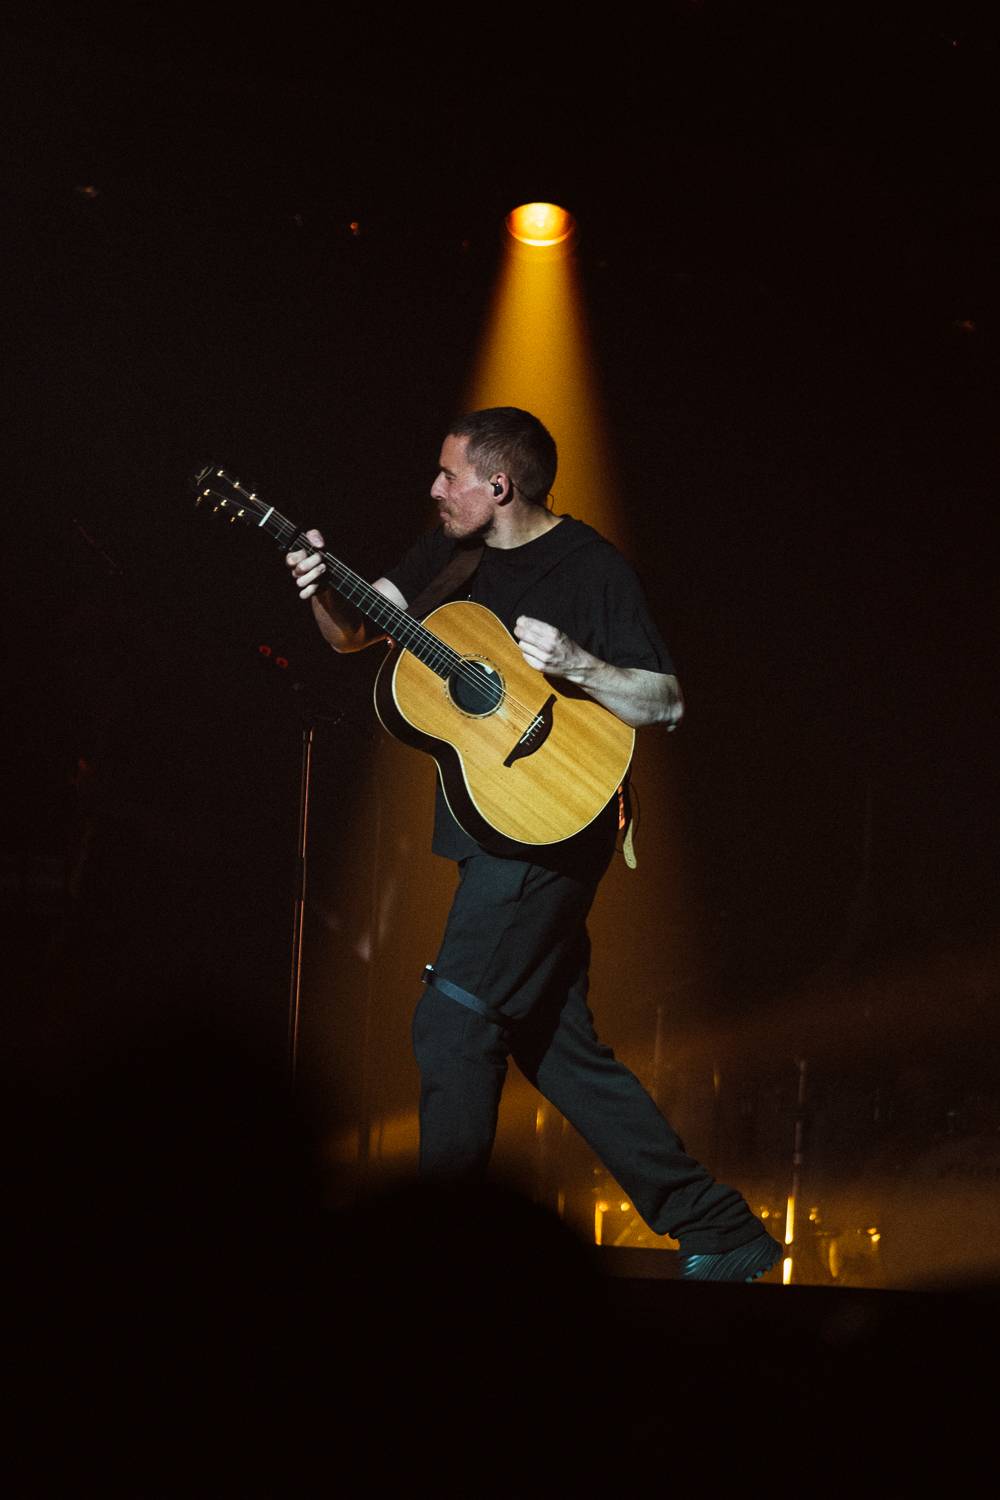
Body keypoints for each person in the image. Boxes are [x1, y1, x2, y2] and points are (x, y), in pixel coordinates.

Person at [287, 407, 780, 1281]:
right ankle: (720, 1227)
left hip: (553, 827)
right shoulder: (450, 551)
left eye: (449, 476)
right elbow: (358, 633)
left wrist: (580, 667)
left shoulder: (591, 568)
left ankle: (443, 1258)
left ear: (499, 486)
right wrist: (323, 586)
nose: (434, 490)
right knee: (555, 1045)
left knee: (451, 1023)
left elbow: (665, 701)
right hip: (492, 825)